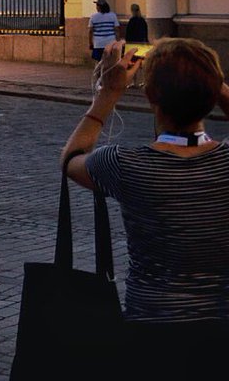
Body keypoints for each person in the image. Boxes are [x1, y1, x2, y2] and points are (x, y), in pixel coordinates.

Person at [63, 38, 229, 373]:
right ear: (214, 96)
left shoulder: (125, 163)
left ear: (151, 96)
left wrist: (106, 94)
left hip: (153, 328)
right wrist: (214, 84)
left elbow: (70, 159)